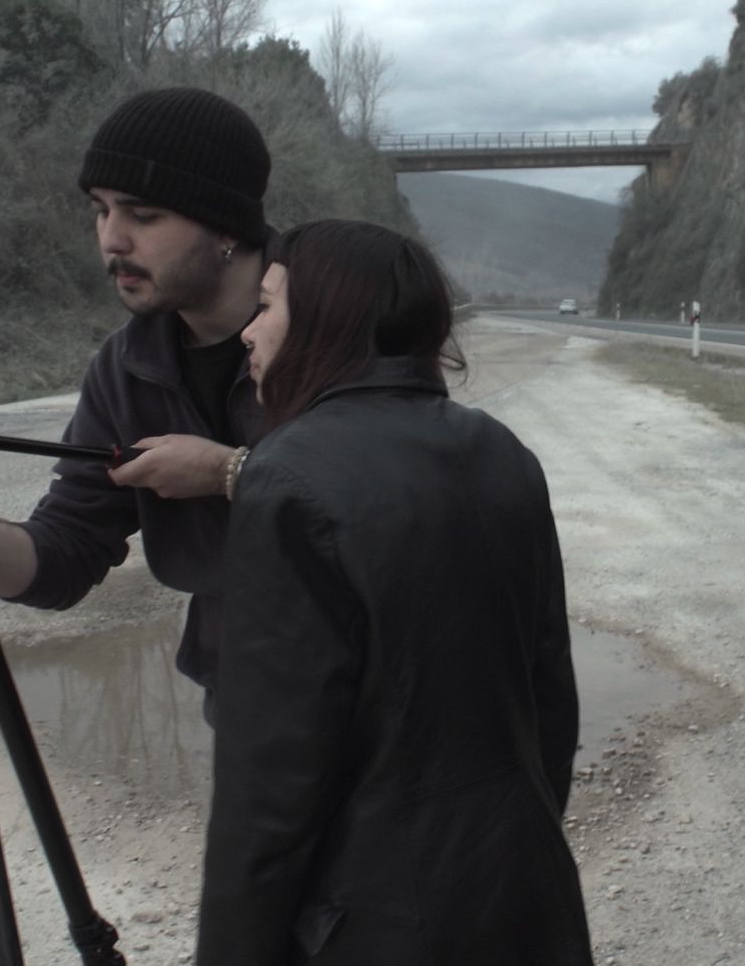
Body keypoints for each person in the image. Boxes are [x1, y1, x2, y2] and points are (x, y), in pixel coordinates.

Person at [197, 220, 591, 965]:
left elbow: (268, 793)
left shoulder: (286, 481)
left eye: (269, 305)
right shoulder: (504, 453)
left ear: (324, 318)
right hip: (528, 899)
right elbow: (550, 708)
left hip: (379, 927)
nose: (249, 333)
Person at [0, 87, 271, 702]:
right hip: (249, 700)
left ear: (225, 225)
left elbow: (407, 487)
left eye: (142, 216)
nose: (112, 240)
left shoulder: (342, 318)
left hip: (396, 697)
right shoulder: (127, 367)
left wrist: (232, 472)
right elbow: (63, 556)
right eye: (100, 210)